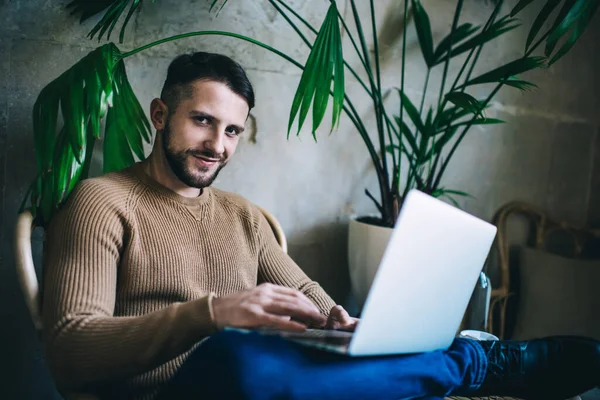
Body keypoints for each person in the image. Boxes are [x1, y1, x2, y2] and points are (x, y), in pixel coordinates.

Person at [41, 51, 600, 400]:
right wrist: (210, 314)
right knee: (237, 353)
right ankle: (477, 362)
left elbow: (303, 291)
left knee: (332, 349)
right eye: (203, 121)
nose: (217, 146)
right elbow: (70, 350)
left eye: (233, 131)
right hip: (177, 390)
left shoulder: (241, 215)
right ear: (161, 116)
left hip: (264, 382)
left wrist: (339, 318)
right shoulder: (101, 201)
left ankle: (467, 359)